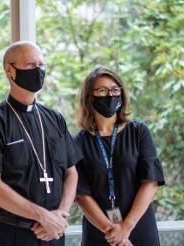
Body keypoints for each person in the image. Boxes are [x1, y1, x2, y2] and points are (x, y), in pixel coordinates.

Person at [0, 41, 82, 246]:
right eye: (31, 65)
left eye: (41, 65)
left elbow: (71, 172)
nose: (38, 71)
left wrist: (61, 215)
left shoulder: (55, 119)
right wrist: (43, 216)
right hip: (9, 235)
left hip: (52, 234)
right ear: (10, 71)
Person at [74, 67, 165, 246]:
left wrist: (125, 228)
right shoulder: (78, 142)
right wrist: (113, 233)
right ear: (89, 96)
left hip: (138, 226)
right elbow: (82, 195)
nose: (110, 95)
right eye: (102, 90)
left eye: (115, 90)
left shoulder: (139, 132)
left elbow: (151, 182)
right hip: (99, 232)